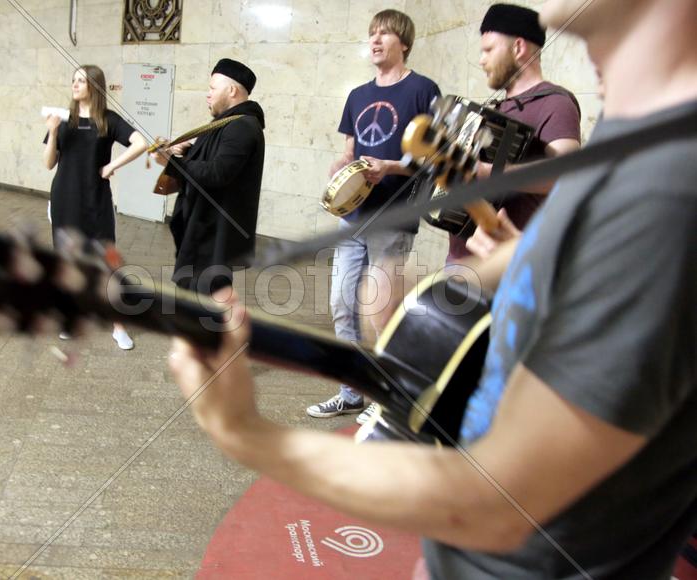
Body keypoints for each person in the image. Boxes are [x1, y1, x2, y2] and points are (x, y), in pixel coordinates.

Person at [168, 0, 697, 578]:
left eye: (490, 44)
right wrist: (522, 252)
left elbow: (496, 504)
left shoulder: (666, 186)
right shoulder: (637, 139)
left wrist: (246, 434)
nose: (481, 51)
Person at [305, 9, 440, 422]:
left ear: (404, 42)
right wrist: (341, 165)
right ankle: (352, 391)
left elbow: (435, 158)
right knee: (344, 303)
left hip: (394, 217)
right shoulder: (358, 96)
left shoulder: (423, 90)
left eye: (385, 33)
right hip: (354, 216)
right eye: (372, 34)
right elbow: (350, 149)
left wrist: (391, 167)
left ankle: (389, 397)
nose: (376, 40)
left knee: (383, 310)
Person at [445, 3, 582, 263]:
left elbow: (567, 175)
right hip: (462, 257)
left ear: (518, 48)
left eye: (488, 50)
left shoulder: (555, 103)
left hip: (506, 267)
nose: (481, 60)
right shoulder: (493, 109)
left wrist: (487, 172)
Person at [43, 64, 148, 350]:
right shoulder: (63, 120)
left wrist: (111, 166)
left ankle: (118, 324)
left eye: (81, 81)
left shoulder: (108, 120)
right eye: (73, 80)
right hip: (65, 197)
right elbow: (49, 163)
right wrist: (52, 132)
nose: (74, 85)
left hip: (96, 200)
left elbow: (140, 142)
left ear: (94, 86)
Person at [151, 59, 265, 295]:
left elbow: (218, 173)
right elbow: (215, 159)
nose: (208, 94)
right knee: (203, 297)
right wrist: (186, 151)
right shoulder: (229, 123)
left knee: (208, 298)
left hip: (216, 233)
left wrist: (174, 163)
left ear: (231, 90)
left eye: (213, 88)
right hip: (207, 228)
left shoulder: (242, 127)